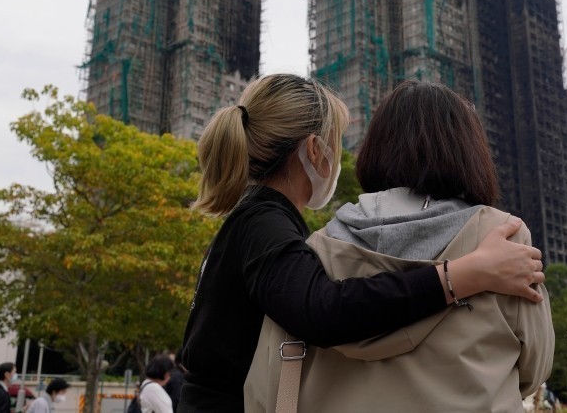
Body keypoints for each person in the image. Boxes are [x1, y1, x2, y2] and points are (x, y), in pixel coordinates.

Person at [178, 74, 545, 412]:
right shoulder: (264, 225)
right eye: (336, 142)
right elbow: (324, 310)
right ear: (314, 150)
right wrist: (463, 274)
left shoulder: (276, 226)